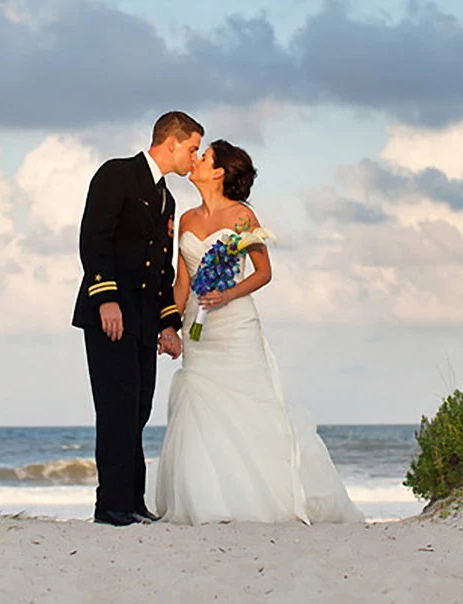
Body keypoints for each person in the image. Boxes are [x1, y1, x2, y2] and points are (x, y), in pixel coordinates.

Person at [155, 139, 363, 525]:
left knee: (246, 407)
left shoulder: (243, 216)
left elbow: (264, 272)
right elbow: (182, 281)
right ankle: (207, 499)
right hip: (197, 327)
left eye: (205, 156)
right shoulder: (186, 219)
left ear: (219, 171)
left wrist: (227, 293)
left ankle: (258, 496)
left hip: (234, 326)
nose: (197, 160)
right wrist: (169, 324)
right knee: (199, 405)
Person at [72, 111, 202, 527]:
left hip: (145, 322)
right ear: (171, 142)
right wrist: (105, 298)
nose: (194, 158)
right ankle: (110, 506)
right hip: (110, 314)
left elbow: (161, 269)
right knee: (117, 407)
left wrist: (168, 323)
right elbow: (94, 240)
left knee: (139, 409)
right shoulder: (116, 174)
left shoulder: (167, 197)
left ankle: (131, 502)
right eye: (193, 148)